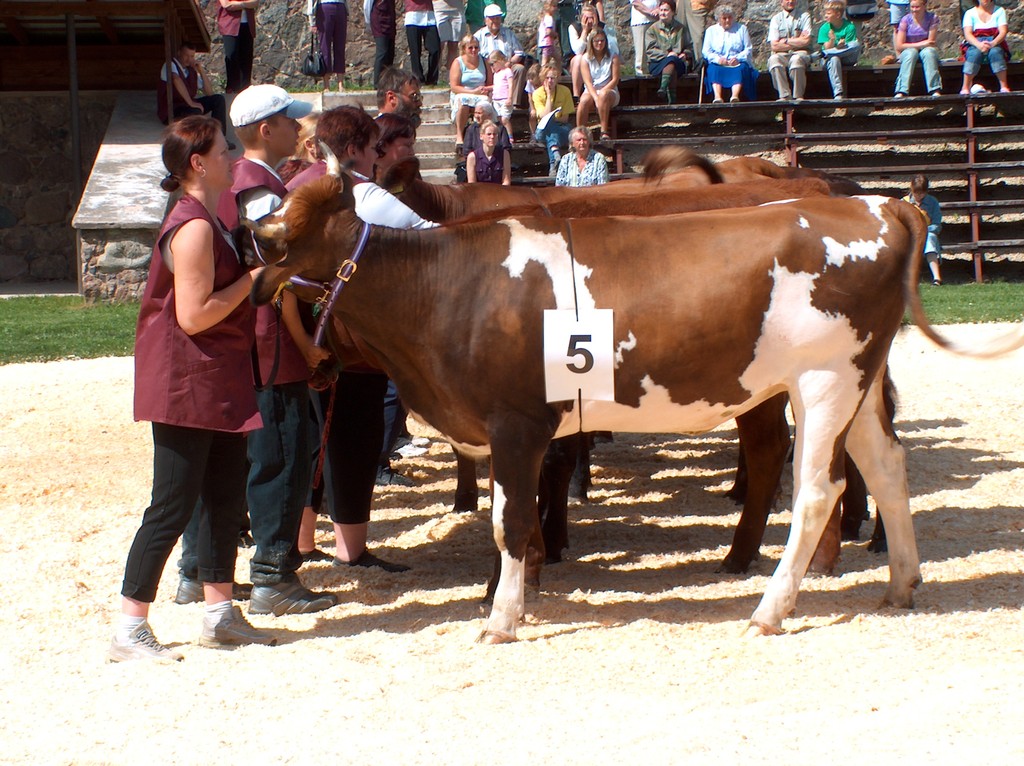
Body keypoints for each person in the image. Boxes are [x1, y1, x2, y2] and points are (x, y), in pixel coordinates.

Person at [108, 115, 272, 662]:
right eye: (225, 151)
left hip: (214, 379)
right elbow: (196, 316)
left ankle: (220, 614)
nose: (232, 156)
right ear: (198, 164)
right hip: (187, 383)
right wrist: (251, 283)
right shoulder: (196, 226)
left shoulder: (210, 218)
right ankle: (130, 627)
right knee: (172, 505)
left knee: (225, 499)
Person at [288, 106, 438, 572]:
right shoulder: (360, 194)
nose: (377, 158)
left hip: (303, 334)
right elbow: (434, 239)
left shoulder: (295, 185)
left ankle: (303, 542)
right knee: (354, 438)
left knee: (314, 440)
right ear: (353, 149)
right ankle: (351, 552)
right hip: (351, 341)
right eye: (373, 148)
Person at [157, 41, 230, 144]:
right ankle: (201, 142)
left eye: (192, 56)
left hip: (188, 106)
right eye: (186, 55)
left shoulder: (191, 71)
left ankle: (220, 138)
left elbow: (209, 92)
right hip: (173, 109)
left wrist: (201, 71)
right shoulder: (170, 65)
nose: (189, 59)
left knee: (218, 99)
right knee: (195, 112)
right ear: (179, 53)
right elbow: (176, 80)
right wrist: (191, 103)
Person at [474, 4, 526, 107]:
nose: (496, 21)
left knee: (519, 68)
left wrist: (509, 63)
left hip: (506, 66)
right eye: (492, 18)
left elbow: (519, 52)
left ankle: (512, 102)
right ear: (485, 20)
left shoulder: (508, 33)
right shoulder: (478, 36)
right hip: (488, 68)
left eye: (498, 18)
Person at [702, 4, 755, 103]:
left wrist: (738, 58)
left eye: (729, 17)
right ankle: (717, 97)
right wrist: (718, 59)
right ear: (718, 19)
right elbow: (706, 51)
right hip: (719, 62)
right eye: (724, 18)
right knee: (713, 69)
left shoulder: (741, 29)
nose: (727, 20)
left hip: (736, 62)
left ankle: (735, 96)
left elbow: (748, 49)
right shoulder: (711, 31)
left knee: (741, 69)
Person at [960, 0, 1012, 95]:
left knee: (996, 53)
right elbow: (968, 34)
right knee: (973, 54)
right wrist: (978, 45)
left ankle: (1004, 86)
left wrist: (993, 43)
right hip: (975, 43)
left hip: (994, 42)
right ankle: (965, 86)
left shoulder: (999, 11)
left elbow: (1003, 32)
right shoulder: (970, 13)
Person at [577, 28, 620, 141]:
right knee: (584, 101)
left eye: (602, 40)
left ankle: (604, 131)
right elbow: (588, 82)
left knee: (604, 95)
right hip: (592, 90)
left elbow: (615, 79)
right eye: (596, 41)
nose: (599, 43)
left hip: (610, 90)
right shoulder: (585, 59)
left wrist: (601, 94)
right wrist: (596, 97)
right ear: (591, 42)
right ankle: (580, 133)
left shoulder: (613, 57)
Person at [645, 0, 692, 104]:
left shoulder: (681, 28)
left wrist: (685, 54)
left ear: (673, 12)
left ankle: (663, 88)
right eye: (661, 10)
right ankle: (672, 100)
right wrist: (667, 54)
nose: (662, 13)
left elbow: (689, 47)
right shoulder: (652, 30)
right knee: (671, 63)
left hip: (679, 62)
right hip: (657, 62)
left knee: (673, 61)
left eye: (666, 10)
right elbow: (650, 50)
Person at [568, 3, 619, 97]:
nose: (590, 21)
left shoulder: (603, 27)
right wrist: (584, 31)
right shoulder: (573, 27)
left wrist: (595, 30)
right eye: (586, 18)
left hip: (597, 59)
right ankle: (576, 95)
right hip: (579, 62)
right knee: (579, 58)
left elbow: (611, 48)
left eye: (592, 17)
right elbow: (577, 50)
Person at [449, 34, 492, 144]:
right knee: (463, 104)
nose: (474, 50)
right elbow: (454, 87)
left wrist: (484, 89)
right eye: (470, 47)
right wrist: (472, 92)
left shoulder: (484, 61)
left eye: (476, 47)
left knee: (483, 106)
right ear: (464, 49)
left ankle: (483, 134)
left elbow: (490, 83)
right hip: (464, 91)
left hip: (480, 93)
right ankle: (459, 135)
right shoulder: (458, 62)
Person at [532, 64, 575, 175]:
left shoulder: (565, 91)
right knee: (548, 125)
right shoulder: (537, 94)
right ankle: (554, 159)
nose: (550, 81)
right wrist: (549, 95)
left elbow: (565, 118)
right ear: (542, 78)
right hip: (542, 130)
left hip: (562, 128)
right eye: (547, 78)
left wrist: (552, 119)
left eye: (553, 78)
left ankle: (554, 159)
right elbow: (543, 116)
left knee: (552, 129)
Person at [767, 0, 812, 102]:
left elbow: (805, 41)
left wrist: (786, 41)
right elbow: (774, 46)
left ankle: (798, 96)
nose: (790, 1)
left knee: (796, 60)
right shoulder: (776, 19)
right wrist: (797, 41)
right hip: (782, 55)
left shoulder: (804, 17)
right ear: (781, 2)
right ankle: (784, 95)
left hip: (800, 52)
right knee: (774, 60)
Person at [894, 0, 941, 98]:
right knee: (910, 54)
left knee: (929, 53)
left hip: (926, 50)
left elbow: (930, 42)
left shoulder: (932, 18)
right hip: (910, 50)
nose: (914, 10)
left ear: (924, 6)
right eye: (912, 7)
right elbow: (899, 45)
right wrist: (921, 44)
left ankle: (935, 88)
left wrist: (918, 44)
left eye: (917, 7)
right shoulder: (905, 20)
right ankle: (901, 90)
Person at [903, 174, 943, 284]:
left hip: (927, 233)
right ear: (911, 189)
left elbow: (937, 224)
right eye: (916, 192)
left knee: (930, 240)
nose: (919, 196)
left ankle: (937, 277)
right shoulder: (903, 202)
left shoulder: (932, 202)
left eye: (922, 193)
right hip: (909, 234)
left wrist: (924, 231)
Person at [818, 0, 860, 100]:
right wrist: (832, 39)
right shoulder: (824, 28)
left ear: (837, 14)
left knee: (856, 44)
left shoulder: (849, 27)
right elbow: (827, 47)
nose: (825, 16)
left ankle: (823, 54)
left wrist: (842, 46)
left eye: (828, 13)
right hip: (830, 59)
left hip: (846, 57)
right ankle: (838, 93)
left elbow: (851, 47)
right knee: (833, 58)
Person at [217, 0, 259, 94]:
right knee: (231, 54)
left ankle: (245, 88)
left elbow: (255, 2)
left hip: (247, 24)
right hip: (230, 24)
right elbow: (226, 5)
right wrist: (245, 4)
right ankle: (233, 87)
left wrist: (238, 4)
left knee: (246, 56)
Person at [307, 0, 348, 92]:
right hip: (324, 7)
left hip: (340, 6)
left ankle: (340, 83)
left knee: (340, 47)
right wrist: (312, 20)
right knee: (325, 47)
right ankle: (326, 84)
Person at [404, 0, 441, 85]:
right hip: (413, 16)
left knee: (435, 49)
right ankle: (418, 78)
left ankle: (432, 79)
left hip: (429, 16)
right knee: (415, 51)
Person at [467, 119, 511, 184]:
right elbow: (472, 184)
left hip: (499, 191)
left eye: (494, 134)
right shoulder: (472, 157)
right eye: (489, 134)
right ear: (481, 136)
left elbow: (506, 181)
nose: (492, 137)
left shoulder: (504, 154)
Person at [364, 0, 397, 87]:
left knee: (390, 53)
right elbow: (367, 5)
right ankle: (377, 83)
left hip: (390, 19)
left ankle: (388, 83)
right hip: (379, 18)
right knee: (382, 52)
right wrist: (368, 22)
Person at [489, 50, 516, 140]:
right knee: (499, 119)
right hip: (496, 99)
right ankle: (502, 136)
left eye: (493, 64)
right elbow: (496, 86)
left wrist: (510, 98)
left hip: (505, 99)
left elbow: (511, 85)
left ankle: (510, 137)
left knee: (505, 119)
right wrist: (486, 88)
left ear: (500, 60)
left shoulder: (507, 71)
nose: (491, 66)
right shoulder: (496, 74)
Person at [433, 0, 465, 71]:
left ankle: (450, 76)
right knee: (439, 44)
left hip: (457, 9)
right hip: (439, 9)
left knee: (454, 45)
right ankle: (436, 76)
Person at [630, 0, 660, 74]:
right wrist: (650, 12)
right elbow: (636, 3)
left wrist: (658, 9)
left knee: (657, 49)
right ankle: (641, 76)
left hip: (656, 20)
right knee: (641, 52)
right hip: (641, 21)